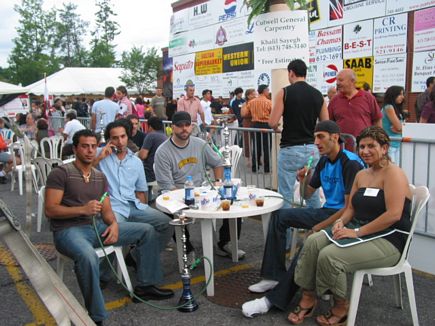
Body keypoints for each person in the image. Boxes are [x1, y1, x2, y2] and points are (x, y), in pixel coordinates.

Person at [45, 129, 174, 325]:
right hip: (68, 231)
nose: (89, 151)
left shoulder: (99, 177)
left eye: (93, 146)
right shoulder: (61, 173)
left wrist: (113, 224)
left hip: (95, 228)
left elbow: (106, 210)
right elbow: (50, 210)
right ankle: (96, 317)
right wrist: (82, 209)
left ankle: (145, 285)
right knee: (87, 256)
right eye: (84, 146)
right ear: (75, 148)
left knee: (146, 231)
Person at [286, 126, 411, 325]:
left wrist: (355, 231)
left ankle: (341, 307)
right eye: (362, 147)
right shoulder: (362, 175)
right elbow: (351, 208)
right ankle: (308, 296)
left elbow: (394, 215)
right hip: (360, 228)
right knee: (313, 241)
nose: (365, 151)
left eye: (372, 146)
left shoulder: (393, 173)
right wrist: (339, 223)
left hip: (389, 238)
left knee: (330, 256)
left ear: (385, 148)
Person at [242, 120, 364, 318]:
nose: (316, 142)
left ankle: (273, 300)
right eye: (315, 137)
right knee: (280, 215)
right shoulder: (324, 160)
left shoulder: (350, 163)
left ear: (335, 137)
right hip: (326, 212)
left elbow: (348, 209)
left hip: (345, 219)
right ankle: (273, 276)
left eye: (320, 137)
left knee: (309, 243)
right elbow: (307, 195)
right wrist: (305, 178)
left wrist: (319, 227)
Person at [154, 111, 245, 259]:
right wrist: (187, 196)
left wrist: (218, 182)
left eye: (187, 125)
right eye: (180, 126)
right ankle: (187, 250)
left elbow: (218, 163)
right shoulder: (163, 152)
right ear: (172, 127)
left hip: (203, 191)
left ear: (192, 126)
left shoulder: (200, 144)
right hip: (176, 194)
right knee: (172, 213)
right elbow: (167, 186)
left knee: (232, 200)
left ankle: (225, 243)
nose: (184, 129)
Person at [93, 120, 172, 255]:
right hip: (112, 207)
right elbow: (80, 171)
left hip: (133, 206)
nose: (120, 141)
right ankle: (106, 273)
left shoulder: (135, 161)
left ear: (128, 137)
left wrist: (143, 210)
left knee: (168, 224)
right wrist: (99, 158)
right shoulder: (99, 154)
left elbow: (141, 191)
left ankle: (137, 256)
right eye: (115, 138)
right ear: (109, 140)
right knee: (111, 231)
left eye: (123, 137)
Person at [269, 59, 329, 208]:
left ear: (291, 73)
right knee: (311, 192)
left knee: (286, 194)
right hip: (311, 149)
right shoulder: (318, 95)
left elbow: (272, 122)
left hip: (290, 149)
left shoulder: (285, 92)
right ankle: (314, 227)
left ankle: (286, 230)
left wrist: (276, 128)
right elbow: (326, 124)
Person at [328, 69, 382, 140]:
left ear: (352, 81)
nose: (337, 83)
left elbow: (377, 120)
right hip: (342, 147)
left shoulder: (368, 97)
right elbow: (329, 122)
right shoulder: (334, 100)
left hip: (365, 147)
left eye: (341, 80)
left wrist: (378, 139)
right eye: (337, 80)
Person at [241, 84, 272, 173]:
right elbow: (273, 113)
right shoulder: (269, 102)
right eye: (268, 90)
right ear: (264, 91)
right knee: (267, 147)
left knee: (256, 146)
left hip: (255, 125)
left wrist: (255, 114)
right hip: (266, 125)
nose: (269, 92)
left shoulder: (251, 102)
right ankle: (267, 168)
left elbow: (245, 113)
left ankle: (255, 167)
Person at [138, 117, 167, 185]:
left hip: (150, 173)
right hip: (161, 172)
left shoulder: (151, 136)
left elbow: (143, 156)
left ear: (150, 126)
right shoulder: (165, 137)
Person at [381, 86, 405, 164]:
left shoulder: (396, 108)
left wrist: (400, 130)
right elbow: (398, 126)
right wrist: (401, 129)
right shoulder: (389, 107)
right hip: (390, 144)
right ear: (393, 95)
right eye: (400, 94)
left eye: (403, 94)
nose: (402, 97)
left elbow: (399, 128)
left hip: (397, 143)